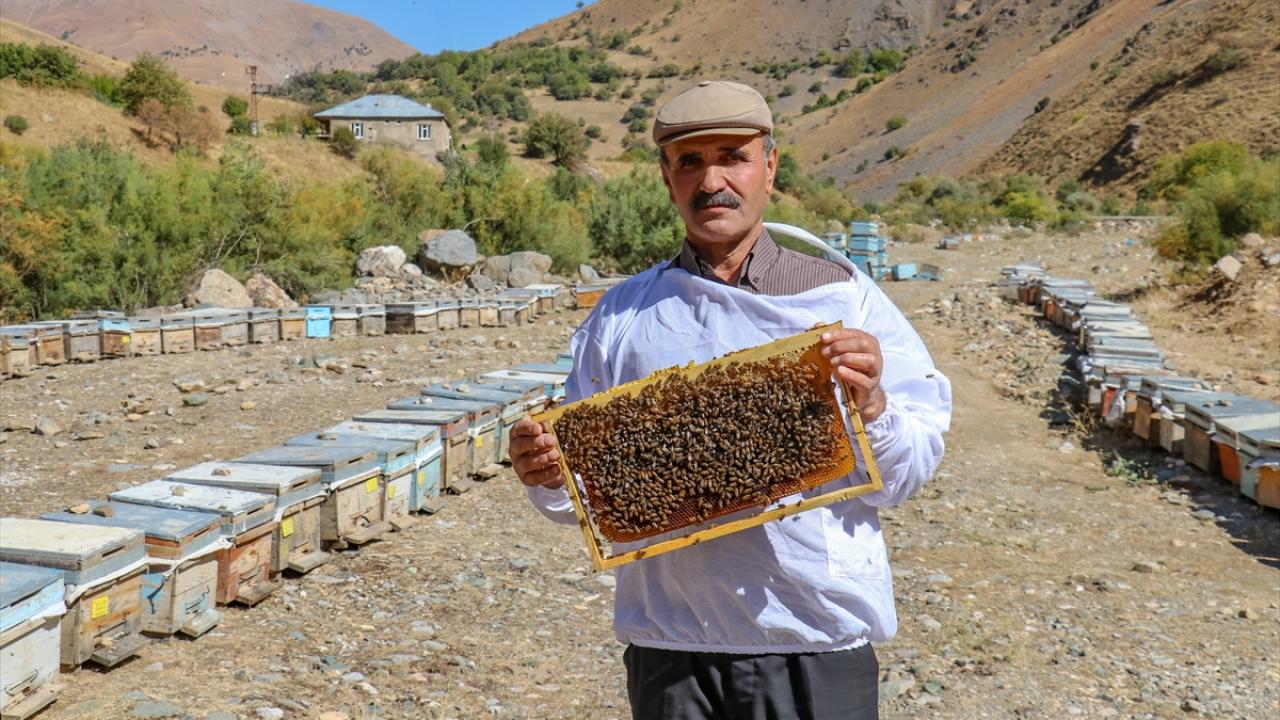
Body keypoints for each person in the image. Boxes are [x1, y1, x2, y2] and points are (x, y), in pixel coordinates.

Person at [509, 80, 951, 720]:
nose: (711, 179)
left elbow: (909, 470)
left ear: (769, 167)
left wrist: (875, 406)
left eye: (731, 157)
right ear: (668, 180)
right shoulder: (621, 315)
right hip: (672, 647)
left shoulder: (844, 298)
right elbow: (579, 498)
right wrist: (545, 471)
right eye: (690, 162)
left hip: (816, 640)